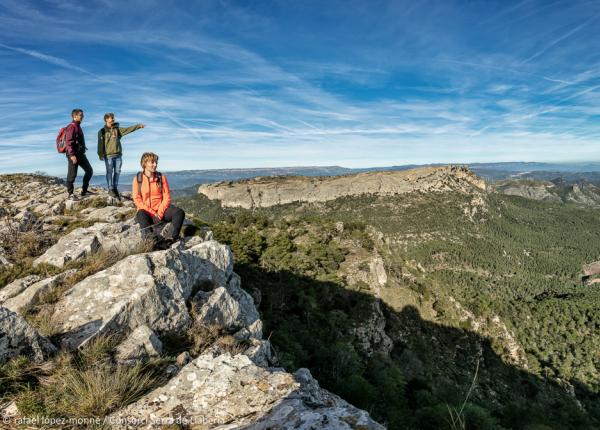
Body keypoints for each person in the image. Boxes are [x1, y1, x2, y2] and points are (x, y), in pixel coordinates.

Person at [133, 152, 185, 250]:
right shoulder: (138, 179)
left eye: (156, 162)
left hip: (161, 211)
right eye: (152, 162)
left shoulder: (161, 178)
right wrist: (153, 213)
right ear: (144, 163)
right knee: (140, 213)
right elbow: (137, 200)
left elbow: (167, 197)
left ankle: (169, 239)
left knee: (179, 212)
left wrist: (159, 214)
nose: (155, 164)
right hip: (147, 212)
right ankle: (151, 241)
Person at [98, 113, 145, 200]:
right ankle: (110, 188)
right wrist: (100, 154)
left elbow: (128, 129)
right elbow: (100, 144)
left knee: (117, 172)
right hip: (108, 156)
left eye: (113, 118)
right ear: (106, 120)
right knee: (109, 172)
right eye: (111, 118)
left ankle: (115, 188)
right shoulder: (102, 131)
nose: (113, 119)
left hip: (118, 155)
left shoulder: (118, 130)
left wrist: (138, 126)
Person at [65, 108, 94, 200]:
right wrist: (72, 155)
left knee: (89, 171)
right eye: (81, 115)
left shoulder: (78, 126)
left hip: (81, 154)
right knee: (72, 174)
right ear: (75, 116)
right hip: (73, 154)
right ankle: (70, 194)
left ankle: (84, 191)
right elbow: (68, 142)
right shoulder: (71, 126)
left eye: (82, 115)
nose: (83, 117)